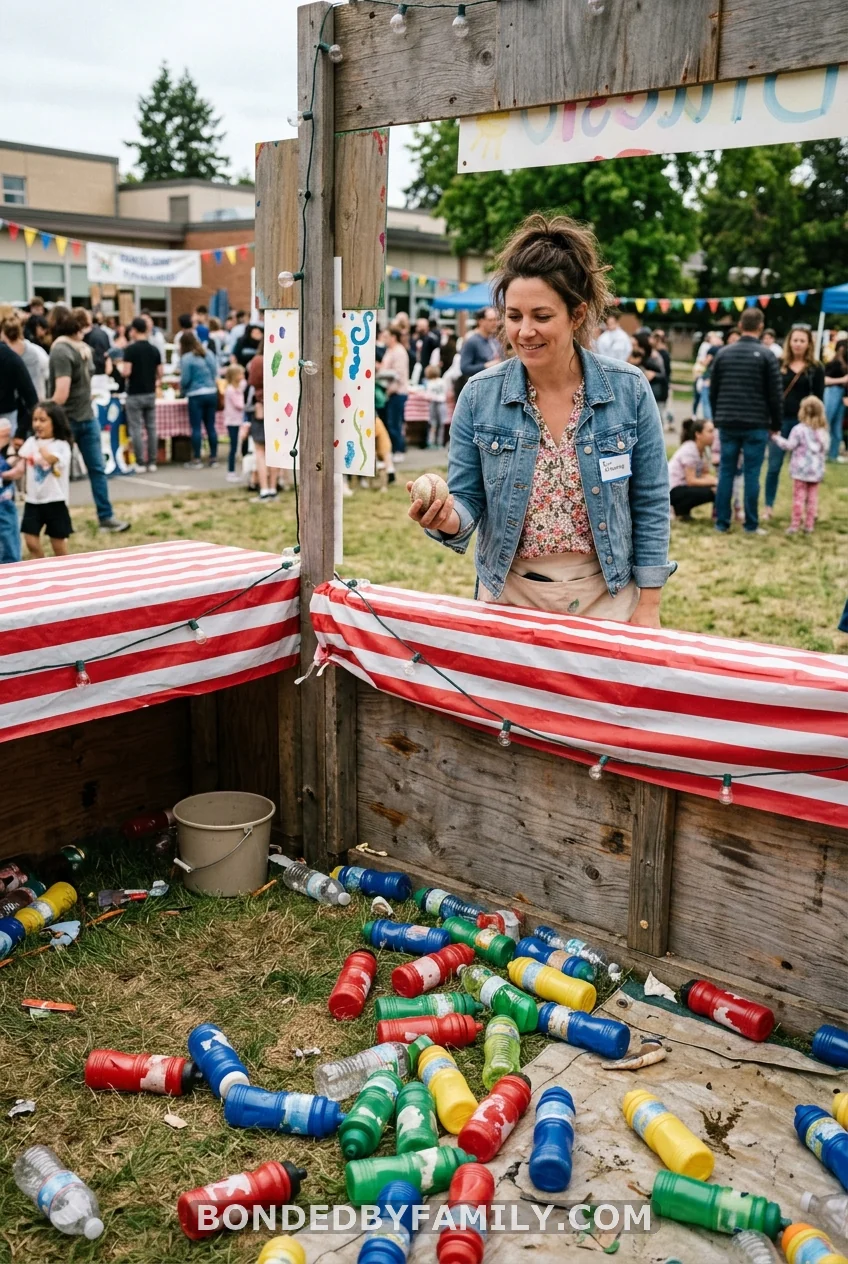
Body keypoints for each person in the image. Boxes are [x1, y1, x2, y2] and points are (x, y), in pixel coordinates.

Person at [408, 212, 675, 626]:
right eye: (513, 316)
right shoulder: (479, 395)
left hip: (608, 596)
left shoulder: (629, 389)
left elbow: (651, 501)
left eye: (542, 316)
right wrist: (447, 518)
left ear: (578, 313)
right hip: (509, 596)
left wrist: (650, 604)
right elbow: (467, 500)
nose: (525, 331)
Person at [47, 306, 128, 532]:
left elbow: (61, 395)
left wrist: (43, 409)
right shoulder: (84, 349)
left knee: (56, 472)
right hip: (87, 416)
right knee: (96, 470)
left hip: (66, 420)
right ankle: (106, 517)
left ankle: (57, 523)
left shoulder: (60, 351)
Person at [709, 307, 782, 535]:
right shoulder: (768, 355)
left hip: (728, 421)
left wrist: (717, 416)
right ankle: (751, 524)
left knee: (726, 473)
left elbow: (714, 390)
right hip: (756, 424)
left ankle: (722, 522)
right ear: (760, 327)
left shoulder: (723, 353)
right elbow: (775, 395)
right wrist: (776, 424)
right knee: (752, 473)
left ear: (740, 326)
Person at [763, 326, 825, 518]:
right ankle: (768, 506)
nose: (798, 344)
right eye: (795, 340)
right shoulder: (779, 363)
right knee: (773, 466)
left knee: (807, 469)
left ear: (809, 344)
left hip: (805, 425)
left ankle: (808, 508)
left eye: (802, 341)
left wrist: (817, 425)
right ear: (789, 342)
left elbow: (818, 399)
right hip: (781, 421)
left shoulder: (815, 368)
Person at [13, 401, 73, 558]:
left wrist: (42, 449)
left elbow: (53, 459)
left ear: (55, 421)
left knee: (58, 545)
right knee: (30, 541)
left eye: (43, 420)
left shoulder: (61, 445)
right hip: (33, 500)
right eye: (35, 420)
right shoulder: (31, 442)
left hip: (56, 500)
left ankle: (65, 572)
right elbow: (20, 460)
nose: (37, 424)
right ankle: (42, 568)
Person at [769, 394, 828, 535]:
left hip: (800, 470)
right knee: (812, 498)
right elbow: (824, 449)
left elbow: (789, 445)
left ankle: (795, 524)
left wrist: (775, 437)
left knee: (798, 498)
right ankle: (809, 525)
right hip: (815, 471)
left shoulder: (799, 430)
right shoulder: (822, 432)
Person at [121, 316, 163, 473]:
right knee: (151, 427)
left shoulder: (130, 350)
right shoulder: (154, 349)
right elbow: (160, 373)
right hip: (150, 392)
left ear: (134, 331)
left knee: (136, 428)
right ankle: (152, 461)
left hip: (134, 392)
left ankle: (139, 462)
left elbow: (127, 371)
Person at [178, 331, 219, 469]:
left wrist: (182, 391)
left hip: (196, 394)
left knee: (196, 428)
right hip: (211, 392)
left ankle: (197, 459)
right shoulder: (208, 354)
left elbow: (185, 379)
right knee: (211, 427)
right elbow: (215, 373)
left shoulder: (187, 358)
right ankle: (213, 457)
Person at [668, 417, 717, 521]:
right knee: (712, 491)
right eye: (710, 431)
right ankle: (679, 509)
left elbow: (705, 473)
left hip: (682, 488)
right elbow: (691, 481)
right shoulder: (690, 450)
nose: (714, 435)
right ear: (698, 434)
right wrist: (715, 482)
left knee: (717, 489)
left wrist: (716, 482)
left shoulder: (704, 450)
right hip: (673, 490)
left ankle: (683, 512)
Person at [246, 346, 276, 501]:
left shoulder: (258, 360)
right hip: (279, 408)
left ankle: (264, 489)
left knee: (260, 450)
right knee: (275, 450)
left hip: (261, 407)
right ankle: (273, 487)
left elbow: (252, 382)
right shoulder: (282, 355)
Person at [379, 324, 410, 459]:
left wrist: (390, 391)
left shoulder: (399, 352)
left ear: (393, 337)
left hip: (397, 392)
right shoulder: (390, 350)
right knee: (390, 422)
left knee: (394, 423)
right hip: (390, 391)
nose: (384, 339)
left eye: (386, 336)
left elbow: (399, 375)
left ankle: (399, 449)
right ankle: (393, 449)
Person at [1, 314, 49, 400]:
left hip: (27, 402)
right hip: (36, 399)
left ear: (3, 334)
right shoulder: (36, 351)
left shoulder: (6, 353)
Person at [457, 307, 502, 397]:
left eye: (496, 320)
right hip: (478, 392)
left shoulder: (494, 339)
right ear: (480, 321)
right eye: (491, 320)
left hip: (493, 389)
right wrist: (486, 365)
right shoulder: (472, 341)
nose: (495, 323)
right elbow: (464, 368)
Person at [0, 331, 38, 436]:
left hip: (6, 417)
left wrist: (21, 431)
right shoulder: (10, 357)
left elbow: (31, 398)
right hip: (8, 417)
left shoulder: (9, 357)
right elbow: (31, 397)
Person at [0, 417, 23, 563]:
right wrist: (8, 475)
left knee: (11, 541)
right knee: (8, 550)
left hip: (7, 504)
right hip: (3, 506)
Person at [823, 336, 848, 463]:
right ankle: (820, 452)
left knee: (837, 426)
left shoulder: (844, 364)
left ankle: (833, 455)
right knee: (826, 422)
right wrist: (842, 380)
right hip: (833, 391)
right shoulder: (834, 364)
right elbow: (825, 380)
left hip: (841, 393)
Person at [223, 363, 246, 483]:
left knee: (238, 446)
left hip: (238, 421)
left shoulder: (239, 386)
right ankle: (230, 471)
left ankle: (238, 470)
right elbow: (239, 405)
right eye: (240, 374)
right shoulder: (231, 390)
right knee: (233, 447)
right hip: (232, 422)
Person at [422, 363, 447, 448]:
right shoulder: (442, 381)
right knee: (441, 424)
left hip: (433, 403)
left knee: (433, 423)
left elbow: (427, 395)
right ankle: (439, 442)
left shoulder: (428, 382)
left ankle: (431, 441)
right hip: (442, 403)